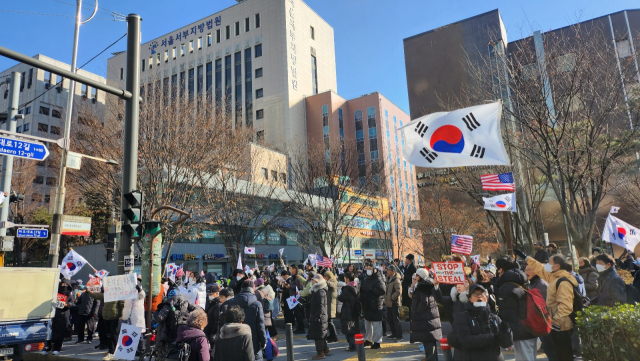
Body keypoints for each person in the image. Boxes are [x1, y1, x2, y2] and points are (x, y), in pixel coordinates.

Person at [516, 250, 577, 361]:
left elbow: (566, 306)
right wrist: (526, 258)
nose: (546, 265)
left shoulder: (563, 282)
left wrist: (556, 323)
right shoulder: (554, 277)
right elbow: (540, 269)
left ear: (557, 266)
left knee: (563, 356)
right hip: (556, 325)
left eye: (549, 262)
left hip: (562, 327)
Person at [449, 285, 513, 361]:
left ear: (486, 299)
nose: (479, 296)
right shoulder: (462, 317)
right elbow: (465, 340)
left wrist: (506, 330)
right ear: (470, 300)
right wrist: (493, 337)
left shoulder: (495, 318)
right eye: (475, 294)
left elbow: (506, 343)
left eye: (482, 294)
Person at [495, 257, 536, 361]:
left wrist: (507, 337)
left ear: (501, 269)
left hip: (519, 333)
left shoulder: (505, 287)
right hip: (531, 328)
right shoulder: (523, 281)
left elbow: (507, 315)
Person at [225, 280, 267, 361]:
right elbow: (260, 324)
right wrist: (263, 341)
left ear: (242, 288)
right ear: (253, 289)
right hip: (253, 341)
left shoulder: (232, 302)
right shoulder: (257, 304)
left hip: (235, 338)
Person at [410, 268, 442, 361]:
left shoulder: (423, 287)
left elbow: (424, 302)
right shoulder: (426, 285)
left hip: (426, 319)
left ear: (420, 277)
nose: (415, 277)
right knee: (430, 342)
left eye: (416, 275)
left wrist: (417, 312)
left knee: (428, 343)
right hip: (429, 318)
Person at [86, 285, 124, 361]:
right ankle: (111, 352)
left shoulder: (119, 294)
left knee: (114, 335)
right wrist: (89, 292)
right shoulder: (106, 294)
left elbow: (122, 305)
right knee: (108, 335)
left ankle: (115, 353)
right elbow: (97, 295)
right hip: (106, 317)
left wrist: (122, 315)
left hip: (115, 317)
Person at [524, 264, 553, 359]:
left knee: (550, 349)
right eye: (526, 270)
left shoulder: (542, 285)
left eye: (529, 270)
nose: (526, 272)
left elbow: (545, 306)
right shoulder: (531, 284)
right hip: (538, 322)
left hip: (545, 322)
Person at [43, 281, 75, 356]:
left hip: (63, 316)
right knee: (49, 332)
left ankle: (57, 348)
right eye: (62, 284)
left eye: (66, 285)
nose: (64, 286)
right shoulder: (55, 293)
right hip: (53, 315)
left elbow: (73, 304)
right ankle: (47, 347)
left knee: (60, 333)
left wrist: (67, 304)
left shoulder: (69, 294)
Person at [360, 262, 385, 349]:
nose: (368, 270)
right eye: (367, 268)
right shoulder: (367, 279)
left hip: (376, 304)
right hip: (367, 304)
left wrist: (372, 290)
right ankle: (368, 339)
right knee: (368, 323)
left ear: (374, 269)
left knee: (376, 324)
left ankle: (377, 341)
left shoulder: (378, 279)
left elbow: (382, 290)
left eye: (370, 268)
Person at [307, 274, 330, 360]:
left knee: (318, 335)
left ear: (317, 281)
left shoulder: (320, 291)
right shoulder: (317, 290)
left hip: (319, 316)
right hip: (320, 316)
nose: (312, 282)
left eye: (313, 280)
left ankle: (320, 353)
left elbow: (321, 306)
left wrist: (317, 317)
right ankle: (326, 350)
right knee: (321, 334)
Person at [337, 272, 360, 352]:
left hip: (347, 309)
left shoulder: (347, 289)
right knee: (353, 327)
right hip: (354, 309)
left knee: (348, 329)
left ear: (347, 279)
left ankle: (352, 346)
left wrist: (339, 293)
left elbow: (341, 298)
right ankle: (354, 345)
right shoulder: (356, 286)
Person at [384, 265, 403, 341]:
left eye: (389, 270)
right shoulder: (388, 279)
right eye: (387, 270)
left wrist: (392, 298)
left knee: (396, 320)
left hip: (394, 303)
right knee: (389, 319)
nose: (387, 271)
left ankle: (399, 336)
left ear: (393, 271)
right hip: (388, 303)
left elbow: (398, 291)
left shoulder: (396, 279)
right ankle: (394, 334)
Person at [287, 265, 306, 334]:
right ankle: (299, 327)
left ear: (294, 269)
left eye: (290, 268)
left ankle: (301, 328)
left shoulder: (298, 277)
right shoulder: (293, 277)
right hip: (292, 297)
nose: (290, 270)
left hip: (297, 297)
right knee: (295, 313)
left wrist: (290, 286)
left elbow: (300, 287)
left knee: (298, 313)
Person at [323, 271, 339, 343]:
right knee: (329, 321)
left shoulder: (333, 281)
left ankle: (334, 336)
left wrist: (324, 281)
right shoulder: (331, 281)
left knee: (330, 321)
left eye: (325, 276)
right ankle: (332, 335)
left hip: (331, 304)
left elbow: (331, 285)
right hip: (328, 303)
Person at [401, 254, 417, 318]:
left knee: (410, 302)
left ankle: (411, 316)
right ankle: (408, 316)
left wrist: (405, 277)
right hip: (405, 286)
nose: (405, 260)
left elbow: (413, 277)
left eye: (407, 259)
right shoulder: (406, 267)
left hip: (409, 286)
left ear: (410, 260)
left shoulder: (413, 268)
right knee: (406, 302)